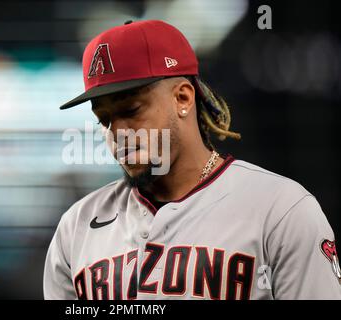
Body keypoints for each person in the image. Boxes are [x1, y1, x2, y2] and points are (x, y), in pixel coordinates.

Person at [43, 20, 341, 300]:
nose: (117, 132)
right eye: (104, 120)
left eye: (131, 111)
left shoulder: (281, 211)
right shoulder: (76, 227)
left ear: (183, 98)